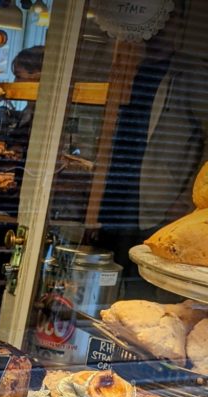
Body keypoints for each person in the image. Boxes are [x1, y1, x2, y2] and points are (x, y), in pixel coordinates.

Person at [99, 1, 208, 293]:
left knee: (142, 281)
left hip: (159, 200)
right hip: (116, 192)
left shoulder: (191, 74)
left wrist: (187, 200)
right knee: (108, 270)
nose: (160, 29)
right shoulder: (126, 66)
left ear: (181, 22)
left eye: (168, 19)